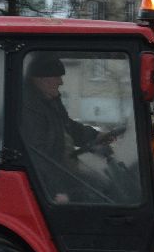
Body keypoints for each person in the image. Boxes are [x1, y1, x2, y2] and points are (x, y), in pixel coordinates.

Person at [20, 54, 119, 203]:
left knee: (103, 185)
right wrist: (56, 192)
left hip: (60, 171)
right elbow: (37, 157)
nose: (61, 82)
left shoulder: (50, 101)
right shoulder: (28, 109)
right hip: (47, 182)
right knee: (95, 194)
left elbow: (68, 126)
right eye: (57, 77)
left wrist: (96, 136)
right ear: (40, 79)